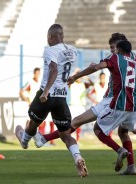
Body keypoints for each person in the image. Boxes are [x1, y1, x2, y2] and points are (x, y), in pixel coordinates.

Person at [33, 33, 136, 174]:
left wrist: (76, 76)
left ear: (119, 47)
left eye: (113, 47)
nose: (112, 50)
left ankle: (44, 139)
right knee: (127, 131)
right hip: (131, 103)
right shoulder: (135, 61)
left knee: (80, 122)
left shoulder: (115, 58)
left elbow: (97, 67)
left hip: (112, 101)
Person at [15, 24, 88, 177]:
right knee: (66, 135)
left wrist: (46, 91)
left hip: (47, 94)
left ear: (50, 37)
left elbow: (54, 69)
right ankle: (78, 157)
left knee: (33, 123)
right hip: (61, 97)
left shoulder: (50, 50)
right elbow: (63, 70)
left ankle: (24, 140)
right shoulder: (72, 50)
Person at [19, 67, 55, 144]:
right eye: (37, 73)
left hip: (42, 104)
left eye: (39, 73)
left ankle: (42, 140)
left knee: (44, 121)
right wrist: (28, 100)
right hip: (32, 104)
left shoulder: (41, 82)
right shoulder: (30, 82)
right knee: (31, 122)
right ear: (34, 73)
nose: (38, 75)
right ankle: (26, 138)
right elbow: (21, 91)